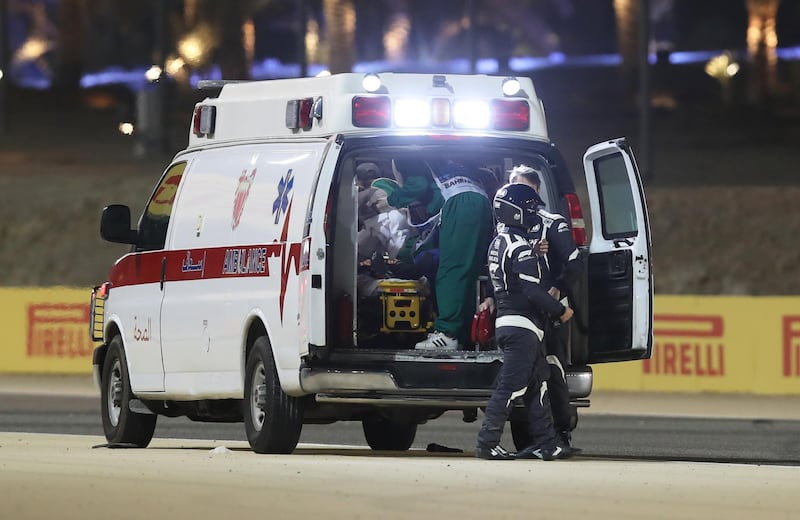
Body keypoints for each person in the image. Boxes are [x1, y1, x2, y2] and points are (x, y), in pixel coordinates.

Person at [475, 183, 577, 460]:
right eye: (531, 209)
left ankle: (547, 442)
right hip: (523, 328)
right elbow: (531, 291)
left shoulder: (498, 242)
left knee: (538, 384)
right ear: (517, 213)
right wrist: (559, 310)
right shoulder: (520, 247)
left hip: (511, 325)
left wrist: (534, 252)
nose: (535, 214)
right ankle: (487, 443)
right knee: (511, 386)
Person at [508, 164, 584, 447]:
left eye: (524, 187)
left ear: (537, 190)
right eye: (513, 187)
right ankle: (527, 437)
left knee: (552, 370)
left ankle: (560, 433)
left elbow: (575, 262)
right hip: (516, 311)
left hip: (547, 311)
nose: (518, 194)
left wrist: (558, 289)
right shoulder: (504, 225)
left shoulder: (552, 222)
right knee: (522, 373)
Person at [411, 160, 493, 350]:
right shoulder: (456, 163)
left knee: (451, 271)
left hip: (460, 203)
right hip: (480, 202)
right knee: (467, 272)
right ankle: (463, 332)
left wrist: (392, 199)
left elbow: (417, 187)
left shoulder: (411, 158)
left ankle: (448, 333)